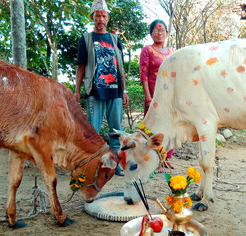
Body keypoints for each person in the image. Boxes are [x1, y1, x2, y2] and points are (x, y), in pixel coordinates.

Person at [74, 0, 128, 176]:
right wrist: (77, 91)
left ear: (108, 18)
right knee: (93, 132)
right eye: (98, 15)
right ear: (92, 18)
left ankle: (114, 163)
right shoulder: (86, 39)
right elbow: (81, 66)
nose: (101, 19)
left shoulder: (115, 39)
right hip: (95, 91)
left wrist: (124, 90)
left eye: (104, 15)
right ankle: (93, 164)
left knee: (115, 130)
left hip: (115, 91)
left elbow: (120, 66)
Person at [139, 19, 174, 172]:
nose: (159, 33)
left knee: (170, 125)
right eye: (156, 30)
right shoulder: (147, 50)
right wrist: (148, 96)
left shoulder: (172, 51)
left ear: (166, 33)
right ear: (151, 33)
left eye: (162, 30)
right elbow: (144, 74)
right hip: (154, 92)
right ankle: (154, 159)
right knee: (155, 126)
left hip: (170, 94)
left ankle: (165, 158)